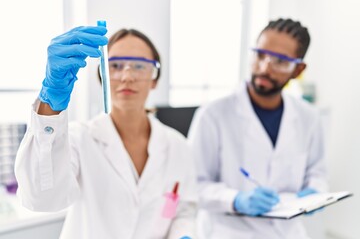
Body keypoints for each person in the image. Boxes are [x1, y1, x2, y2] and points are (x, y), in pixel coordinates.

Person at [15, 25, 197, 239]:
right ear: (102, 76)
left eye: (139, 66)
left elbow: (184, 210)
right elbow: (41, 198)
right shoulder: (78, 138)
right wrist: (50, 102)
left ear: (154, 78)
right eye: (116, 65)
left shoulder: (177, 145)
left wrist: (183, 234)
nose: (127, 76)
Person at [188, 18, 327, 239]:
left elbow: (316, 173)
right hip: (229, 232)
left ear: (298, 69)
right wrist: (236, 199)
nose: (264, 68)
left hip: (288, 233)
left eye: (280, 61)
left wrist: (316, 193)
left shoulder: (309, 117)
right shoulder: (212, 115)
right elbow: (192, 184)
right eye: (260, 55)